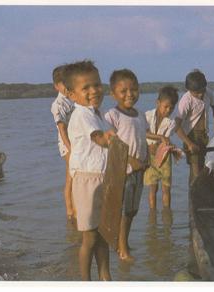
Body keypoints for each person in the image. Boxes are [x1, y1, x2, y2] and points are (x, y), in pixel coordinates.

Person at [65, 60, 115, 280]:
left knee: (102, 234)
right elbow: (99, 139)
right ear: (71, 94)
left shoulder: (96, 113)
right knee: (90, 238)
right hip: (87, 182)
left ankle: (105, 277)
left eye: (96, 84)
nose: (93, 91)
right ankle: (85, 281)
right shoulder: (82, 114)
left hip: (101, 178)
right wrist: (109, 138)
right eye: (85, 88)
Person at [105, 69, 160, 262]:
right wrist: (131, 160)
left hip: (139, 170)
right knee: (124, 211)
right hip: (124, 172)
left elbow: (144, 135)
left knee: (132, 210)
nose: (130, 94)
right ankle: (121, 250)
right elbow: (111, 142)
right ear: (113, 94)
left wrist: (159, 139)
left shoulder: (139, 114)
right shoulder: (112, 115)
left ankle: (124, 243)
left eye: (134, 89)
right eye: (124, 90)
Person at [175, 69, 214, 186]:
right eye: (196, 92)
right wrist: (189, 144)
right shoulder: (186, 101)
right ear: (189, 90)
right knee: (196, 169)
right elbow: (176, 126)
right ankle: (194, 198)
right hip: (190, 137)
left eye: (202, 91)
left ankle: (199, 196)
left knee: (205, 167)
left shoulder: (208, 93)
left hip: (204, 136)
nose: (200, 94)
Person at [144, 86, 179, 209]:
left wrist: (171, 147)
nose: (168, 110)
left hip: (164, 157)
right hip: (149, 156)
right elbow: (143, 132)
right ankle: (152, 213)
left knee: (166, 188)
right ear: (158, 103)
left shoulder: (172, 121)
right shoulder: (147, 116)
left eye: (172, 108)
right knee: (152, 189)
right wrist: (158, 138)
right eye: (166, 106)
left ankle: (166, 215)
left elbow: (166, 139)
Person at [50, 64, 76, 223]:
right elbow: (62, 129)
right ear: (56, 86)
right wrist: (70, 148)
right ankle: (70, 210)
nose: (66, 87)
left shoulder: (73, 99)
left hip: (77, 144)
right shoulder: (58, 105)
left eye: (69, 82)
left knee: (73, 177)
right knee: (71, 177)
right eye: (63, 84)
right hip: (68, 146)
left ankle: (74, 209)